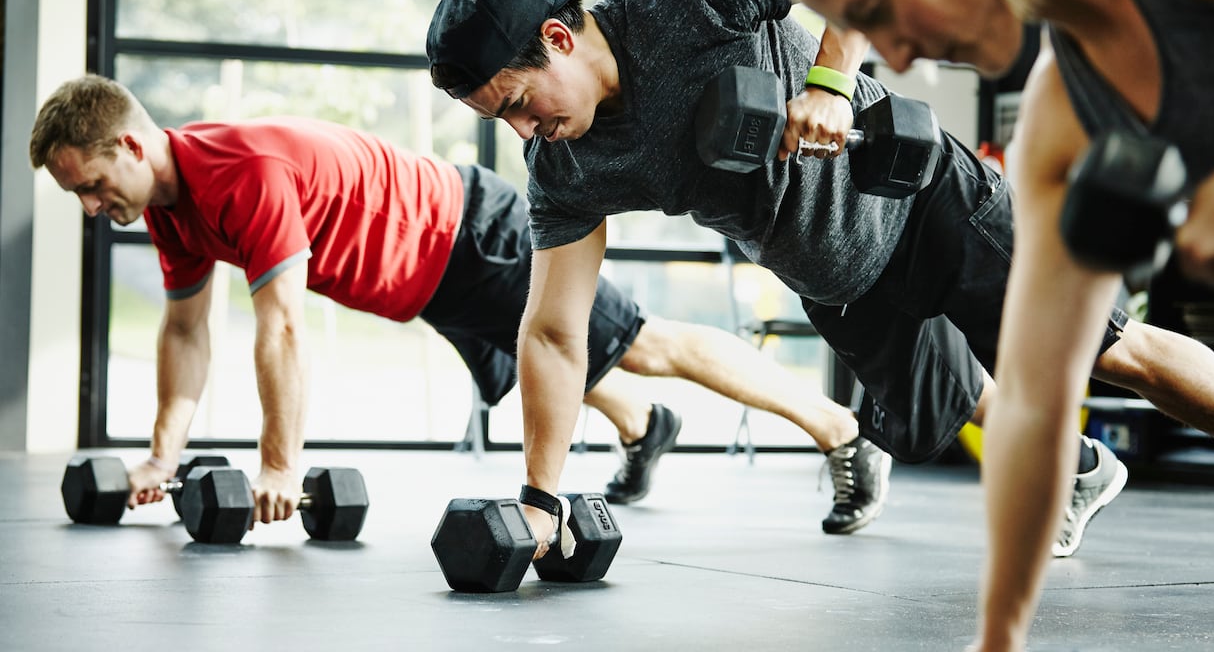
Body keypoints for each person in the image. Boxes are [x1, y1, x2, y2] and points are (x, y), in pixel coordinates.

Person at [423, 0, 1214, 572]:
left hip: (924, 205)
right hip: (835, 278)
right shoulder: (566, 168)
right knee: (934, 418)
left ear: (560, 39)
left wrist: (831, 80)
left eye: (521, 102)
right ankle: (1083, 469)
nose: (525, 130)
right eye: (502, 120)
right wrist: (541, 497)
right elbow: (552, 332)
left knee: (1108, 351)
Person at [28, 73, 879, 531]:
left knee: (641, 343)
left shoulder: (241, 175)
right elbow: (183, 331)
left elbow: (280, 327)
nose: (97, 209)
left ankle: (842, 431)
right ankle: (641, 425)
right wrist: (158, 459)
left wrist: (281, 466)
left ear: (132, 144)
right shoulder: (170, 209)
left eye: (96, 186)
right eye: (82, 199)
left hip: (471, 235)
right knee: (564, 369)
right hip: (429, 281)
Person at [769, 0, 1214, 649]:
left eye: (877, 6)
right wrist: (999, 637)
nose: (904, 58)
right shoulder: (1060, 120)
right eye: (870, 31)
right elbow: (1037, 404)